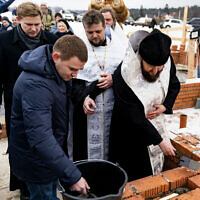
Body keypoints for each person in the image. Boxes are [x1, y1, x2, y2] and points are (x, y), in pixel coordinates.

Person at [9, 35, 90, 200]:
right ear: (56, 57)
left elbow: (63, 95)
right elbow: (41, 138)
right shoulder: (35, 85)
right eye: (73, 69)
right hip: (36, 162)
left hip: (48, 159)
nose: (75, 75)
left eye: (79, 70)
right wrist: (73, 176)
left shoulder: (55, 70)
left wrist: (85, 96)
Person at [0, 2, 57, 199]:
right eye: (28, 25)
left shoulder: (51, 40)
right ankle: (24, 187)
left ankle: (46, 182)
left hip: (45, 104)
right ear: (18, 21)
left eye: (37, 24)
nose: (33, 29)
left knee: (44, 144)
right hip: (16, 105)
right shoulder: (4, 40)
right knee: (20, 146)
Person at [109, 29, 180, 181]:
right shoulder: (125, 74)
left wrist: (165, 106)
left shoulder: (164, 61)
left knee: (152, 173)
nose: (155, 72)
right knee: (136, 173)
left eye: (159, 68)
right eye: (150, 67)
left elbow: (174, 84)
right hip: (130, 134)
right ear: (140, 57)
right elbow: (133, 115)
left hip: (154, 123)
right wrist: (160, 141)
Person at [69, 9, 126, 161]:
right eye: (90, 32)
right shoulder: (77, 49)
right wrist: (84, 99)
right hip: (86, 112)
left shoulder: (119, 48)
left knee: (111, 148)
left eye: (98, 31)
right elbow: (72, 82)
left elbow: (127, 75)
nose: (94, 35)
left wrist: (114, 79)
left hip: (112, 108)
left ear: (105, 27)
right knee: (84, 151)